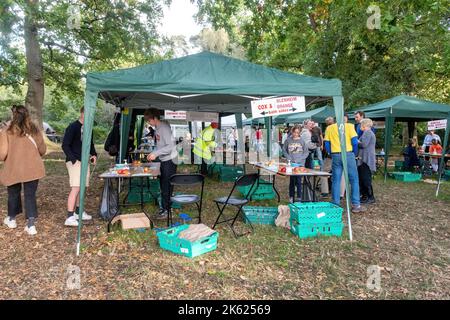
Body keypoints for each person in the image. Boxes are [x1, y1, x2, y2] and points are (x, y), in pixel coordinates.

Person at [0, 105, 47, 235]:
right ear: (27, 115)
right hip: (33, 168)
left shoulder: (6, 131)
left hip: (13, 167)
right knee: (30, 195)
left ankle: (12, 219)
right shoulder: (34, 129)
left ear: (13, 115)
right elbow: (42, 150)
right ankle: (31, 225)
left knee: (13, 193)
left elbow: (2, 154)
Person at [62, 106, 97, 227]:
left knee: (82, 188)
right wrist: (74, 160)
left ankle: (79, 212)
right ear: (82, 113)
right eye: (88, 114)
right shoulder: (72, 127)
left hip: (85, 161)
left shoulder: (88, 128)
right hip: (74, 162)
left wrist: (94, 155)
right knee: (76, 188)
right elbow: (65, 145)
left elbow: (90, 144)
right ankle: (70, 216)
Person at [324, 114, 366, 213]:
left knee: (336, 180)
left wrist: (331, 152)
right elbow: (355, 142)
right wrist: (354, 153)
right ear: (345, 119)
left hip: (336, 155)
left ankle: (335, 204)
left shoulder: (329, 128)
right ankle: (356, 204)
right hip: (348, 154)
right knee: (354, 179)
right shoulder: (350, 126)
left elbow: (326, 143)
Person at [144, 108, 178, 219]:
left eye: (149, 121)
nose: (149, 123)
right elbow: (161, 146)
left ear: (154, 118)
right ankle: (164, 208)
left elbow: (170, 146)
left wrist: (157, 153)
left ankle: (166, 211)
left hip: (170, 160)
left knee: (166, 185)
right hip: (164, 159)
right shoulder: (158, 128)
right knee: (164, 185)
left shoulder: (164, 128)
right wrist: (153, 153)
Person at [282, 125, 309, 203]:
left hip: (300, 164)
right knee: (292, 181)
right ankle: (291, 196)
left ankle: (299, 197)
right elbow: (284, 151)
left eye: (297, 133)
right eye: (294, 132)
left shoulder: (302, 141)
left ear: (299, 133)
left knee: (299, 180)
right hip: (291, 164)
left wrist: (300, 159)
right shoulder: (288, 140)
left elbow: (306, 152)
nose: (296, 134)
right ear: (292, 131)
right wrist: (288, 158)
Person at [357, 119, 376, 204]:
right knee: (362, 178)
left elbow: (364, 144)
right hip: (363, 158)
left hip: (366, 159)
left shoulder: (368, 132)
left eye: (361, 124)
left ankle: (371, 197)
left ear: (365, 125)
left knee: (366, 179)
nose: (360, 126)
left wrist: (356, 142)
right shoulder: (366, 133)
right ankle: (364, 196)